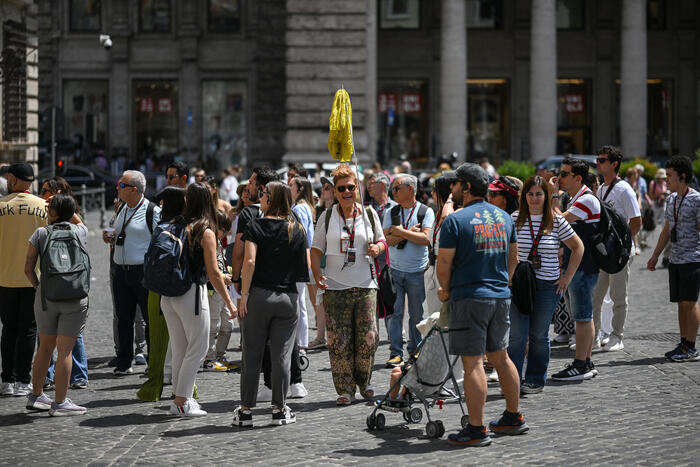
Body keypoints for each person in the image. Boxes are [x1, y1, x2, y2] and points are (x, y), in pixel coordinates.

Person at [436, 163, 527, 447]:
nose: (453, 189)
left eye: (456, 184)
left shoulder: (456, 220)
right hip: (499, 295)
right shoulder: (504, 218)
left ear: (466, 187)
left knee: (474, 362)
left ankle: (476, 429)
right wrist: (505, 284)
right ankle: (514, 416)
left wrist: (446, 290)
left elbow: (444, 263)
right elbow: (513, 258)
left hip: (469, 296)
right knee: (501, 357)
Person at [233, 181, 308, 426]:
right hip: (287, 298)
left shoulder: (256, 225)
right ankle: (279, 408)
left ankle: (245, 412)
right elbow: (304, 267)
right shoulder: (296, 229)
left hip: (259, 296)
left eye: (264, 193)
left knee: (252, 355)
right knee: (282, 357)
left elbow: (250, 262)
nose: (260, 196)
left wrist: (243, 295)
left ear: (271, 198)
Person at [310, 164, 385, 405]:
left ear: (358, 188)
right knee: (338, 340)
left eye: (350, 187)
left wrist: (377, 248)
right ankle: (345, 389)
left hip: (365, 286)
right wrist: (316, 272)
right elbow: (315, 249)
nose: (346, 192)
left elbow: (383, 241)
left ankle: (365, 382)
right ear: (335, 191)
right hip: (334, 287)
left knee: (368, 337)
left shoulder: (369, 214)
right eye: (341, 188)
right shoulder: (328, 216)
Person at [162, 183, 237, 417]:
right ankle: (182, 401)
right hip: (191, 295)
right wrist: (230, 302)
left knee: (180, 347)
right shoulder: (205, 230)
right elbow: (213, 273)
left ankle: (178, 397)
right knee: (199, 348)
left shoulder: (174, 223)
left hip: (168, 293)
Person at [508, 176, 584, 394]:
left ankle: (534, 379)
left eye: (538, 194)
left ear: (545, 196)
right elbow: (506, 250)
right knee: (517, 336)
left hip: (547, 285)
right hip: (520, 285)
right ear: (524, 197)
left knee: (539, 335)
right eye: (530, 194)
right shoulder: (514, 219)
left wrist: (566, 277)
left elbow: (578, 247)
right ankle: (512, 379)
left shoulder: (556, 220)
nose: (534, 199)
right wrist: (509, 276)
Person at [24, 194, 89, 415]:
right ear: (71, 213)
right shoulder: (79, 232)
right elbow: (78, 221)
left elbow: (28, 268)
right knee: (65, 351)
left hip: (46, 297)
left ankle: (36, 395)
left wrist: (38, 286)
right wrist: (67, 205)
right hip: (74, 296)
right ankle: (60, 403)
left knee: (44, 348)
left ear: (51, 213)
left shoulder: (41, 233)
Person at [103, 170, 161, 376]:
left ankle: (153, 363)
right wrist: (110, 238)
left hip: (142, 272)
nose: (118, 187)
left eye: (122, 185)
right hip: (121, 270)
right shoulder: (122, 209)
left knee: (149, 319)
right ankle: (124, 360)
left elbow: (159, 240)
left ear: (134, 190)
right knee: (123, 318)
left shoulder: (151, 211)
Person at [550, 158, 601, 381]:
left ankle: (581, 364)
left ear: (577, 178)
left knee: (581, 316)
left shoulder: (586, 200)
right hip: (582, 265)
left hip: (583, 265)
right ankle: (585, 360)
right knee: (583, 315)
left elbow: (557, 222)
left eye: (564, 174)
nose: (559, 178)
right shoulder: (577, 198)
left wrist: (552, 195)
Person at [647, 156, 700, 362]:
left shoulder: (696, 199)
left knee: (690, 302)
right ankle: (683, 343)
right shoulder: (672, 199)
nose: (666, 179)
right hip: (676, 259)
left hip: (693, 258)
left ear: (682, 176)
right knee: (680, 303)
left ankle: (691, 346)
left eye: (670, 175)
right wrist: (655, 255)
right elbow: (667, 230)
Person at [0, 163, 46, 397]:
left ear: (15, 181)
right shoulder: (43, 206)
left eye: (9, 178)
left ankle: (6, 380)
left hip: (4, 277)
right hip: (33, 278)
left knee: (8, 329)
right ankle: (22, 380)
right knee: (28, 330)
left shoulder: (1, 206)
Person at [38, 177, 89, 390]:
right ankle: (57, 375)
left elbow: (29, 263)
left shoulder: (52, 227)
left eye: (45, 191)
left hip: (52, 286)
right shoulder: (75, 229)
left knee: (58, 336)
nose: (42, 196)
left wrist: (35, 284)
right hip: (71, 286)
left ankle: (74, 374)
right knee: (58, 336)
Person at [137, 186, 187, 401]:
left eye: (163, 202)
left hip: (157, 290)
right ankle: (185, 388)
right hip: (183, 288)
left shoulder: (161, 227)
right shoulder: (188, 227)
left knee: (157, 341)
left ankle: (154, 385)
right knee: (182, 343)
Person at [591, 146, 642, 352]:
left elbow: (636, 221)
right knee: (596, 296)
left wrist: (624, 244)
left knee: (618, 296)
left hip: (619, 254)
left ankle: (617, 336)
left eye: (602, 160)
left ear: (614, 164)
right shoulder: (602, 188)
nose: (598, 163)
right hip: (605, 253)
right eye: (598, 159)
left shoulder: (625, 189)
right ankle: (595, 335)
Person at [383, 174, 434, 367]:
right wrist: (411, 232)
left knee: (416, 314)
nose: (393, 192)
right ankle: (395, 353)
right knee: (394, 314)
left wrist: (400, 231)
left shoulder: (425, 211)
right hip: (394, 270)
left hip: (416, 271)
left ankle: (415, 351)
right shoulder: (391, 211)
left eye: (396, 188)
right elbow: (386, 241)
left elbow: (426, 239)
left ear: (410, 189)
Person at [203, 209, 235, 371]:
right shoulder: (209, 241)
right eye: (223, 231)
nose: (224, 235)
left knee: (228, 324)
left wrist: (227, 273)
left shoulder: (217, 243)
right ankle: (208, 359)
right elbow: (209, 271)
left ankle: (220, 355)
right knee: (213, 325)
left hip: (224, 290)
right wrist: (224, 276)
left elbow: (220, 266)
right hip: (212, 291)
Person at [289, 176, 316, 355]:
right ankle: (302, 341)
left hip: (299, 257)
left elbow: (301, 235)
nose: (288, 187)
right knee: (301, 301)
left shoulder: (299, 208)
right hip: (305, 256)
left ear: (299, 189)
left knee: (298, 302)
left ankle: (300, 343)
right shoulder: (306, 207)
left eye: (291, 185)